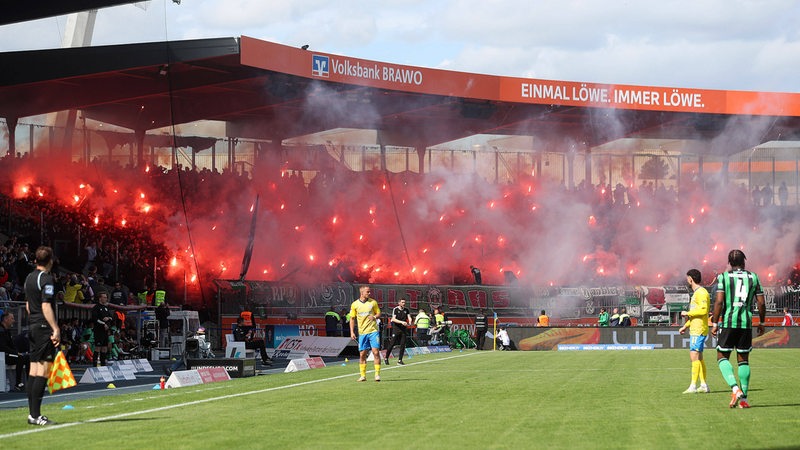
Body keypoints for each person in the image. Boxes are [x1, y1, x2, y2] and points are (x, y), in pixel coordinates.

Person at [711, 249, 766, 409]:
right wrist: (761, 322)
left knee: (722, 356)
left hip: (729, 323)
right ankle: (744, 400)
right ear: (744, 262)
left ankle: (735, 389)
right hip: (746, 324)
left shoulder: (724, 277)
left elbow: (719, 302)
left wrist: (715, 323)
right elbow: (761, 303)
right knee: (743, 360)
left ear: (729, 263)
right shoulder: (753, 277)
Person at [24, 245, 59, 426]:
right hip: (44, 327)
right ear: (50, 261)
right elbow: (46, 306)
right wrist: (55, 328)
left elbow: (28, 305)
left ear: (36, 260)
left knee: (33, 370)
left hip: (33, 326)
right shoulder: (46, 279)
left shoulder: (29, 278)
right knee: (43, 371)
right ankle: (36, 415)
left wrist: (35, 322)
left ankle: (32, 414)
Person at [678, 268, 710, 394]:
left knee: (694, 356)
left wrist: (687, 312)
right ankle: (703, 385)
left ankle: (693, 386)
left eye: (687, 278)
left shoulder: (701, 293)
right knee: (699, 357)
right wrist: (686, 326)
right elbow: (696, 315)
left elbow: (703, 311)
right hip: (695, 328)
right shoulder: (697, 293)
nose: (687, 280)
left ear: (691, 278)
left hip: (699, 329)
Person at [349, 285, 381, 382]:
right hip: (362, 332)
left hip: (373, 331)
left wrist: (375, 317)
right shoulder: (355, 304)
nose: (369, 293)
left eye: (369, 291)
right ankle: (363, 376)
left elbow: (379, 313)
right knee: (362, 354)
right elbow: (352, 318)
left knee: (375, 352)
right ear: (362, 293)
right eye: (367, 292)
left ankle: (377, 375)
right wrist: (352, 332)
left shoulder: (373, 302)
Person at [1, 312, 29, 391]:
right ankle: (18, 383)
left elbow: (12, 346)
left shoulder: (8, 331)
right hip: (3, 355)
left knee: (27, 357)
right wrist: (16, 353)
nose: (14, 320)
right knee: (19, 357)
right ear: (5, 319)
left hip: (9, 354)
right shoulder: (1, 331)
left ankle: (29, 382)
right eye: (12, 318)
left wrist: (17, 352)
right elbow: (2, 347)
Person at [384, 297, 412, 364]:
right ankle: (386, 358)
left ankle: (400, 360)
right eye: (402, 302)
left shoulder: (406, 310)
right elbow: (393, 319)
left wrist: (410, 321)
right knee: (392, 344)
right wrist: (401, 322)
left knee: (403, 344)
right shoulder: (396, 309)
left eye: (404, 302)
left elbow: (409, 317)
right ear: (399, 303)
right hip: (396, 328)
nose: (403, 304)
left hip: (403, 329)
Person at [91, 291, 115, 367]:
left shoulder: (106, 308)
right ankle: (95, 364)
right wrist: (103, 323)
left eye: (106, 297)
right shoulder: (96, 308)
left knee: (104, 347)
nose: (106, 299)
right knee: (98, 347)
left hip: (105, 331)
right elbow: (95, 319)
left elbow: (111, 317)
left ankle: (103, 364)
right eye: (104, 297)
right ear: (100, 298)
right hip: (98, 330)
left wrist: (108, 318)